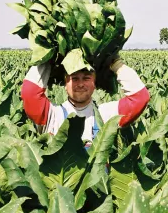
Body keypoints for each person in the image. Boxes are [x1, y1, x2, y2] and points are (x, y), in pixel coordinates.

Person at [21, 56, 149, 147]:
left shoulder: (105, 114)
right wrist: (47, 58)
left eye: (86, 78)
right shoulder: (53, 115)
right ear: (65, 83)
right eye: (74, 78)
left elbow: (140, 98)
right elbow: (30, 93)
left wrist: (115, 63)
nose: (80, 84)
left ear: (95, 83)